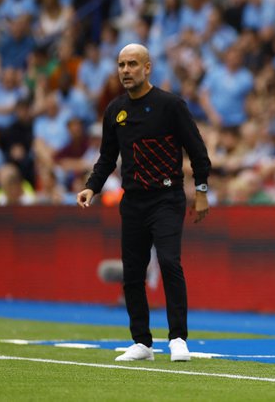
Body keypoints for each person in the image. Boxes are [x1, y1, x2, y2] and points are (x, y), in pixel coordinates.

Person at [76, 44, 211, 362]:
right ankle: (142, 342)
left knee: (168, 263)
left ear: (147, 68)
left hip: (167, 198)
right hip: (133, 200)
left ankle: (178, 338)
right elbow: (107, 156)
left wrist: (202, 192)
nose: (125, 70)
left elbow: (198, 150)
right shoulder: (115, 111)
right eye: (121, 64)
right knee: (133, 272)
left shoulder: (170, 105)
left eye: (132, 64)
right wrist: (91, 187)